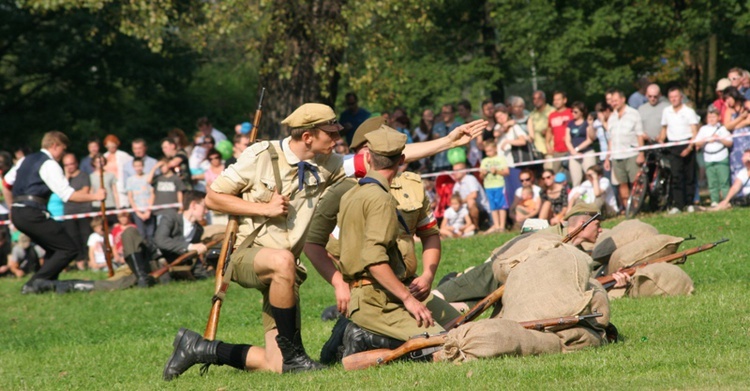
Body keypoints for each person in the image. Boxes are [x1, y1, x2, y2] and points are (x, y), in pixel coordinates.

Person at [163, 103, 346, 379]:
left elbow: (376, 160)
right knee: (284, 261)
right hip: (248, 254)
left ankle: (199, 348)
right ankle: (296, 356)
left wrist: (436, 145)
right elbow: (213, 198)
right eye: (330, 133)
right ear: (308, 136)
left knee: (276, 365)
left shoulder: (330, 163)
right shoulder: (260, 155)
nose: (337, 138)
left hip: (284, 272)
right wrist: (265, 209)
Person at [335, 128, 459, 357]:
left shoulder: (350, 194)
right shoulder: (380, 198)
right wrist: (408, 300)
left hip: (394, 288)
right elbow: (374, 260)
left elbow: (335, 249)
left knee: (458, 328)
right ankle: (365, 338)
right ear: (401, 160)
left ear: (369, 157)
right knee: (448, 348)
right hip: (376, 299)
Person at [4, 131, 105, 294]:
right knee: (68, 249)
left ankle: (47, 284)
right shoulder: (49, 164)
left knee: (54, 248)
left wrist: (11, 208)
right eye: (63, 149)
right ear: (55, 146)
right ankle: (33, 284)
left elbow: (6, 183)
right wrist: (96, 196)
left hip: (18, 213)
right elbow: (68, 195)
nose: (63, 154)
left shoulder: (25, 159)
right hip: (32, 212)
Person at [659, 86, 700, 214]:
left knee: (689, 176)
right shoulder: (666, 111)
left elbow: (695, 131)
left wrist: (689, 147)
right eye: (671, 97)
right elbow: (664, 130)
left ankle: (689, 203)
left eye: (676, 97)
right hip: (673, 146)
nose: (674, 99)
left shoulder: (689, 112)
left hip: (687, 144)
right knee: (676, 176)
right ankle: (678, 204)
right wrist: (660, 140)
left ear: (681, 97)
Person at [605, 89, 645, 211]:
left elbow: (639, 135)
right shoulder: (612, 117)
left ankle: (638, 208)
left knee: (635, 183)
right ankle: (629, 209)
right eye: (612, 101)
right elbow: (610, 139)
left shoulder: (634, 113)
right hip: (616, 156)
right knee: (622, 183)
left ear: (623, 99)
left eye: (616, 100)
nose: (614, 103)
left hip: (632, 153)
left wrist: (641, 153)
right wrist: (608, 157)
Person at [695, 105, 732, 206]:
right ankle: (714, 200)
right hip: (708, 158)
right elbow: (697, 143)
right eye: (709, 117)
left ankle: (726, 200)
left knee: (724, 181)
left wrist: (720, 139)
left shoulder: (723, 129)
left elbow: (729, 142)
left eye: (714, 117)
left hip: (721, 157)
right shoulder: (703, 129)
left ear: (718, 117)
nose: (711, 119)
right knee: (712, 182)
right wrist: (706, 140)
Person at [61, 153, 92, 270]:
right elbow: (61, 194)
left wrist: (70, 195)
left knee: (86, 237)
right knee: (73, 238)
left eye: (71, 164)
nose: (69, 167)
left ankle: (88, 260)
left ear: (76, 163)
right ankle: (79, 262)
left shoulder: (84, 176)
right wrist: (66, 178)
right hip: (69, 212)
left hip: (84, 211)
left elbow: (85, 192)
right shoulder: (63, 180)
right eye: (66, 165)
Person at [565, 102, 597, 187]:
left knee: (591, 177)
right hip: (574, 154)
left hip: (587, 152)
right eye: (572, 111)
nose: (573, 114)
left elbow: (590, 139)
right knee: (576, 180)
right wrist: (573, 152)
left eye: (575, 112)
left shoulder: (587, 123)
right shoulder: (570, 124)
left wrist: (577, 149)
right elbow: (567, 139)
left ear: (582, 112)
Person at [480, 140, 509, 233]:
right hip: (488, 186)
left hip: (499, 185)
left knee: (501, 206)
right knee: (493, 207)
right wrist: (483, 173)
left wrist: (497, 171)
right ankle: (496, 226)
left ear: (495, 149)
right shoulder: (484, 161)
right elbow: (480, 176)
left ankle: (502, 226)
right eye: (486, 151)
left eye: (490, 150)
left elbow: (506, 172)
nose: (488, 153)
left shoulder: (501, 159)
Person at [451, 162, 491, 230]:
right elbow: (454, 199)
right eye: (454, 170)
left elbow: (474, 195)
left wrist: (461, 201)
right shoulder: (456, 185)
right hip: (465, 210)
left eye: (457, 170)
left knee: (471, 202)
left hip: (482, 210)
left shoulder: (470, 179)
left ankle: (476, 227)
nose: (455, 173)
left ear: (465, 171)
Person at [722, 87, 750, 177]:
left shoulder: (747, 104)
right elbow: (727, 126)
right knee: (738, 168)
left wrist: (734, 126)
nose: (728, 101)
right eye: (725, 99)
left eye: (729, 98)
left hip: (748, 140)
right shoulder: (729, 110)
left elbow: (748, 121)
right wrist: (741, 118)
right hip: (736, 145)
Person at [127, 157, 156, 239]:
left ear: (143, 166)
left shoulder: (148, 178)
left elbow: (152, 194)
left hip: (149, 210)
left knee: (151, 233)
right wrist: (138, 212)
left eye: (140, 165)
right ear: (133, 167)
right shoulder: (130, 180)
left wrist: (148, 210)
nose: (138, 168)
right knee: (141, 234)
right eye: (136, 166)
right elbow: (130, 197)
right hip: (137, 211)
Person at [547, 91, 574, 174]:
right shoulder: (552, 115)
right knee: (557, 176)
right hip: (557, 151)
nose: (556, 102)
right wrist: (547, 143)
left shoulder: (571, 112)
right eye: (554, 100)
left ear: (564, 100)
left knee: (572, 175)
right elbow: (549, 130)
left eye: (558, 99)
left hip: (570, 149)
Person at [103, 134, 133, 207]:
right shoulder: (104, 156)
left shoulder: (123, 155)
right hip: (108, 185)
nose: (110, 148)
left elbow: (132, 167)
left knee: (122, 205)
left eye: (112, 145)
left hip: (120, 185)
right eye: (108, 146)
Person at [528, 90, 554, 169]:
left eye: (539, 98)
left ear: (544, 99)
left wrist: (549, 131)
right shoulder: (532, 114)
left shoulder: (552, 111)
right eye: (534, 99)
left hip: (551, 149)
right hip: (537, 152)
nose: (536, 101)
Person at [431, 104, 461, 172]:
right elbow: (435, 142)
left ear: (453, 114)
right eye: (443, 113)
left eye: (446, 113)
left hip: (455, 161)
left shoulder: (459, 126)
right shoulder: (437, 126)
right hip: (439, 162)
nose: (444, 115)